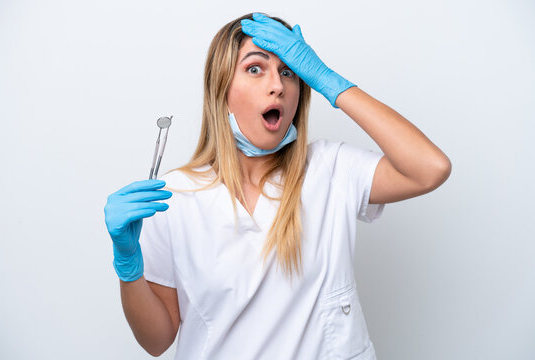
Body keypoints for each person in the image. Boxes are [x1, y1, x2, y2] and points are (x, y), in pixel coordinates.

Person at [104, 12, 451, 359]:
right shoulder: (172, 195)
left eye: (289, 71)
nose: (278, 85)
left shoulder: (331, 169)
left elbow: (430, 168)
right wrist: (128, 264)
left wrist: (329, 81)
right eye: (255, 69)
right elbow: (156, 341)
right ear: (221, 89)